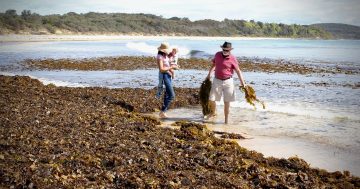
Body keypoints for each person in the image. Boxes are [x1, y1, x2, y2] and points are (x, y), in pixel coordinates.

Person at [206, 41, 246, 124]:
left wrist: (243, 83)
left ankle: (226, 120)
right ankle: (213, 113)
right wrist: (209, 74)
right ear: (222, 48)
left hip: (228, 82)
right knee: (211, 99)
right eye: (224, 49)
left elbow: (238, 71)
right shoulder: (217, 55)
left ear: (230, 50)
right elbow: (214, 65)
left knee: (226, 102)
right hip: (217, 80)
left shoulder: (233, 58)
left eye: (227, 50)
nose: (225, 51)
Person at [156, 42, 178, 118]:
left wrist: (174, 66)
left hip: (168, 75)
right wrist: (171, 68)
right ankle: (162, 111)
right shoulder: (160, 57)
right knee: (172, 95)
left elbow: (171, 59)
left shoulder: (165, 55)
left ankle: (163, 112)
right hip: (164, 75)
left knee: (167, 94)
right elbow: (161, 69)